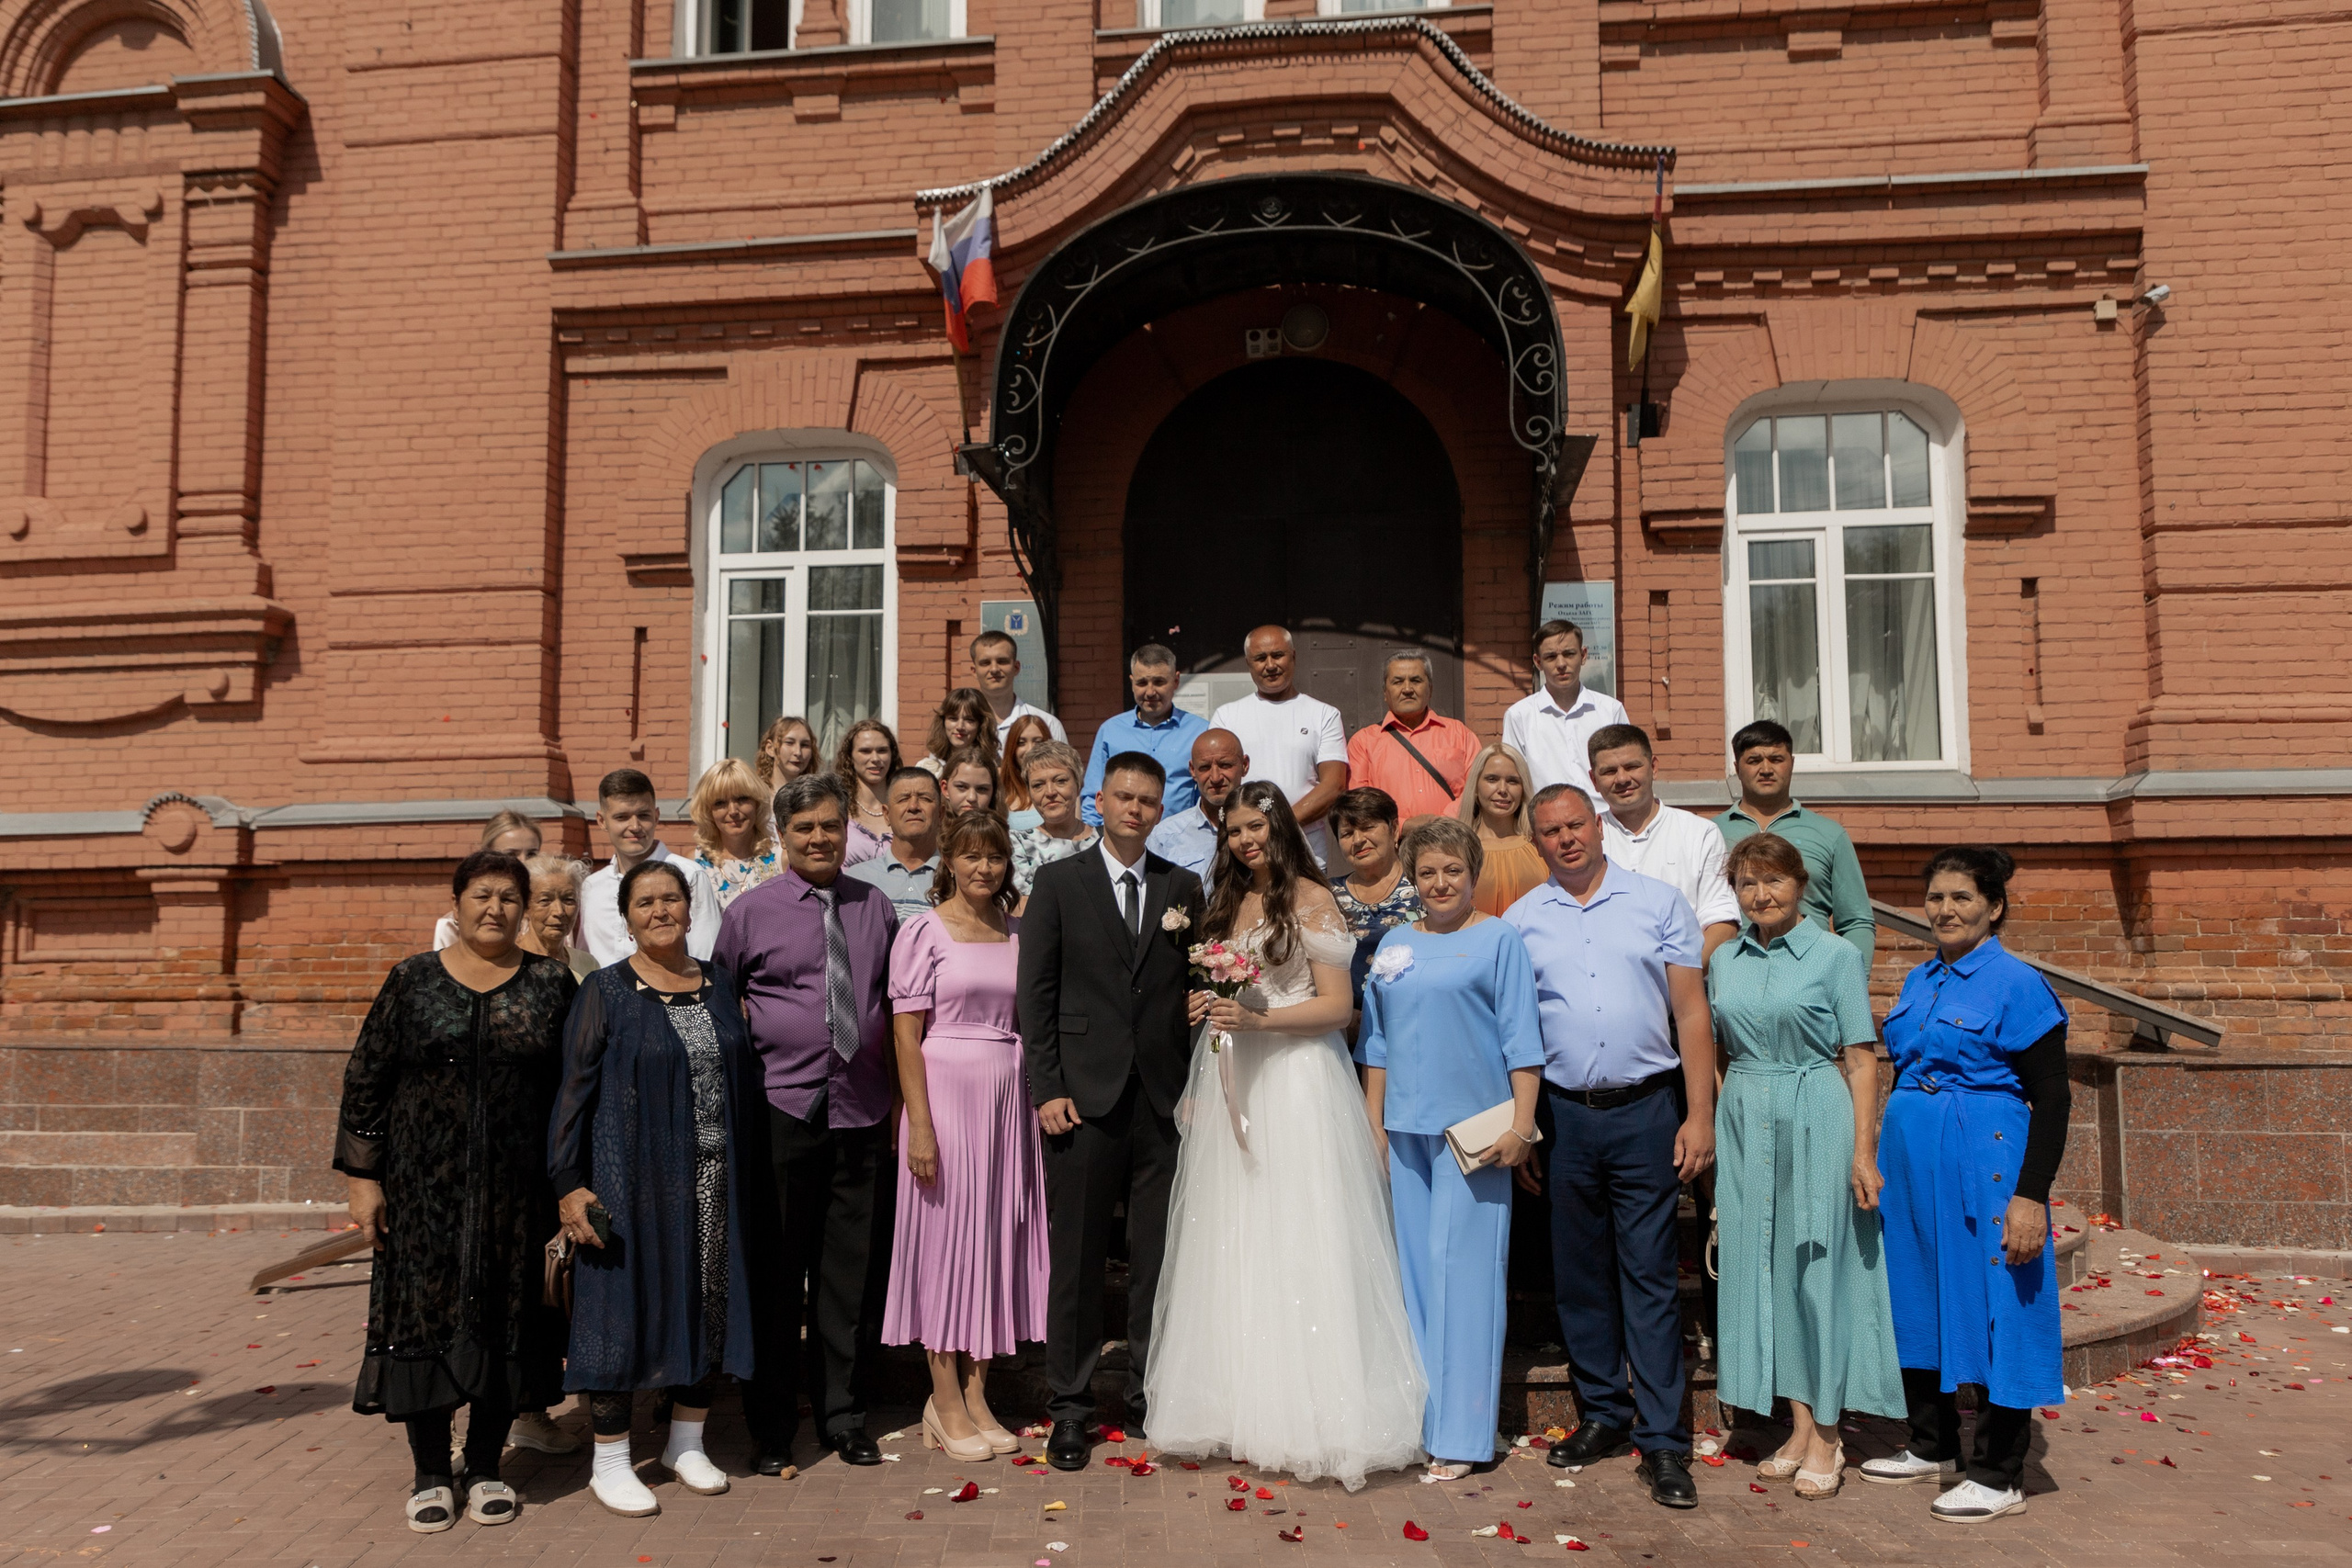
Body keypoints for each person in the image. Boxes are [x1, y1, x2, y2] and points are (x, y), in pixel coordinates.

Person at [1148, 781, 1426, 1489]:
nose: (1245, 841)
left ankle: (1316, 1412)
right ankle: (1243, 1403)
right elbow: (1235, 991)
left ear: (1280, 828)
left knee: (1304, 1231)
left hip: (1300, 1080)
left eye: (1256, 827)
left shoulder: (1311, 896)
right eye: (1234, 830)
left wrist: (1259, 1021)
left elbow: (1338, 1006)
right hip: (1234, 1074)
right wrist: (1209, 1000)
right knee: (1236, 1234)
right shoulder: (1223, 901)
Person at [334, 849, 575, 1534]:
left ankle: (486, 1465)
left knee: (505, 1320)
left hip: (516, 1195)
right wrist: (362, 1178)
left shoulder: (550, 985)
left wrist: (568, 1182)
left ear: (524, 908)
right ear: (458, 903)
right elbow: (366, 1080)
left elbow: (572, 1091)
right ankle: (431, 1471)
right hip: (421, 1191)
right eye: (481, 895)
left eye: (508, 896)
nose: (494, 907)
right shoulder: (412, 980)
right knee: (423, 1321)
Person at [1507, 784, 1714, 1509]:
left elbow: (1691, 1013)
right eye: (1550, 831)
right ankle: (1604, 1413)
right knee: (1581, 1273)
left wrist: (1700, 1114)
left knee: (1650, 1275)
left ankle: (1662, 1441)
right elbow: (1515, 1034)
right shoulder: (1521, 919)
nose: (1566, 839)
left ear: (1598, 826)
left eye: (1575, 825)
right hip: (1563, 1116)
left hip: (1647, 1111)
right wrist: (1523, 1124)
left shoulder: (1659, 902)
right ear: (1536, 841)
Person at [1861, 846, 2070, 1524]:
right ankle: (1932, 1442)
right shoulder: (1923, 979)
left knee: (2000, 1302)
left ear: (1994, 906)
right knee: (1918, 1294)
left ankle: (1998, 1469)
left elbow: (2054, 1099)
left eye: (1961, 898)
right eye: (1936, 898)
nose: (1945, 909)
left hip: (1987, 1161)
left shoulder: (2016, 983)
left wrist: (2030, 1193)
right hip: (1914, 1163)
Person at [551, 860, 763, 1515]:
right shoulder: (606, 991)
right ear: (627, 915)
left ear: (689, 906)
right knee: (618, 1311)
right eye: (646, 902)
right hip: (629, 1180)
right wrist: (568, 1183)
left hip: (711, 1184)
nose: (661, 910)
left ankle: (685, 1440)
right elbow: (572, 1093)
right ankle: (610, 1457)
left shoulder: (719, 984)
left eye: (671, 898)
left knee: (709, 1302)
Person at [1016, 752, 1204, 1472]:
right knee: (1079, 1260)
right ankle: (1070, 1405)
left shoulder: (1180, 884)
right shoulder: (1059, 882)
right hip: (1082, 1101)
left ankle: (1149, 1396)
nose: (1136, 808)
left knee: (1157, 1261)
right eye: (1124, 796)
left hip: (1161, 1099)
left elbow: (1193, 977)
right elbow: (1036, 995)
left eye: (1149, 800)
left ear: (1161, 809)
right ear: (1099, 801)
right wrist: (1047, 1086)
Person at [1708, 833, 1904, 1499]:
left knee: (1817, 1268)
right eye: (1747, 883)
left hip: (1816, 1111)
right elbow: (1722, 1052)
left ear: (1801, 884)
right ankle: (1796, 1426)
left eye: (1774, 881)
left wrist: (1862, 1150)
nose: (1761, 895)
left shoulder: (1835, 955)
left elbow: (1860, 1058)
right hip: (1745, 1119)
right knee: (1765, 1271)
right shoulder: (1724, 959)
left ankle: (1828, 1432)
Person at [716, 773, 901, 1473]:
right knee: (775, 1273)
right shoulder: (750, 913)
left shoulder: (874, 905)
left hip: (860, 1110)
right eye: (805, 828)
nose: (820, 837)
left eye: (830, 825)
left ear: (845, 829)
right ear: (782, 837)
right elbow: (728, 1007)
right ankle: (769, 1427)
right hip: (780, 1114)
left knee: (845, 1277)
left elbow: (892, 999)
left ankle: (843, 1416)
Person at [1358, 816, 1544, 1480]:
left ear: (1473, 874)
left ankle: (1464, 1434)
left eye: (1452, 871)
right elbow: (1375, 1045)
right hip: (1405, 1131)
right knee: (1415, 1282)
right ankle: (1422, 1421)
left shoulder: (1499, 940)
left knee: (1465, 1279)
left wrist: (1522, 1125)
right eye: (1427, 872)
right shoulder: (1393, 944)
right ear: (1412, 877)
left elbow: (1523, 1038)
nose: (1440, 883)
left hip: (1477, 1136)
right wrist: (1373, 1123)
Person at [884, 812, 1047, 1461]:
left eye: (995, 857)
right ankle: (942, 1394)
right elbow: (904, 1034)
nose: (984, 868)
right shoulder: (921, 931)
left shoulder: (1018, 932)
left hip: (1008, 1099)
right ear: (948, 859)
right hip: (944, 1095)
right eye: (971, 856)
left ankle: (979, 1393)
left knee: (993, 1243)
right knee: (945, 1243)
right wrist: (918, 1122)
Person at [1715, 721, 1876, 967]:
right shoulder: (1709, 833)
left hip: (1811, 977)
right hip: (1732, 978)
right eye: (1754, 760)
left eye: (1776, 759)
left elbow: (1856, 922)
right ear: (1737, 768)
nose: (1766, 769)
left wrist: (1849, 978)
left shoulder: (1828, 833)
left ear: (1792, 763)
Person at [1589, 724, 1740, 968]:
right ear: (1593, 780)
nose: (1622, 779)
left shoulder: (1699, 833)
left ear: (1654, 767)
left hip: (1683, 994)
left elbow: (1722, 924)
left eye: (1632, 766)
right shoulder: (1584, 838)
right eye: (1609, 771)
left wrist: (1678, 985)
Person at [1209, 625, 1348, 867]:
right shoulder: (1226, 717)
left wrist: (1275, 826)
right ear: (1248, 663)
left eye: (1278, 655)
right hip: (1245, 856)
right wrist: (1252, 832)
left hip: (1304, 853)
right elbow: (1218, 781)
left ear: (1293, 656)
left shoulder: (1324, 714)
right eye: (1260, 658)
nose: (1270, 665)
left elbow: (1333, 785)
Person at [580, 769, 720, 966]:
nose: (635, 826)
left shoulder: (690, 875)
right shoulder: (592, 887)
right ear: (602, 821)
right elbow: (583, 959)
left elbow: (706, 957)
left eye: (643, 815)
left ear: (656, 816)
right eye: (622, 817)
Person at [1500, 619, 1629, 807]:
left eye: (1569, 654)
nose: (1561, 664)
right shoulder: (1519, 716)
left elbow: (1627, 765)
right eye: (1551, 657)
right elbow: (1513, 776)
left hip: (1606, 820)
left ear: (1583, 655)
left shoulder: (1610, 710)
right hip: (1547, 822)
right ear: (1538, 662)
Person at [1345, 650, 1479, 824]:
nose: (1407, 689)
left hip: (1452, 840)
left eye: (1416, 681)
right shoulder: (1363, 742)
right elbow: (1359, 802)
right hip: (1394, 845)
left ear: (1430, 689)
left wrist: (1444, 823)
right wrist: (1403, 826)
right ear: (1385, 693)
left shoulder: (1460, 734)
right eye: (1398, 682)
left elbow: (1477, 787)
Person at [1081, 643, 1207, 826]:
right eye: (1142, 683)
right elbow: (1092, 796)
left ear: (1176, 681)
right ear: (1132, 682)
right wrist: (1096, 839)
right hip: (1122, 844)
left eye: (1159, 682)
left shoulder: (1200, 732)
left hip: (1180, 845)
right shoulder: (1110, 731)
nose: (1150, 692)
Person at [1328, 786, 1422, 1010]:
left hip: (1414, 1013)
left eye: (1368, 827)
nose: (1358, 840)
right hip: (1349, 1028)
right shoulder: (1327, 895)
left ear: (1394, 828)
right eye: (1347, 833)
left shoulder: (1424, 885)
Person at [1456, 742, 1548, 918]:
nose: (1503, 790)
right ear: (1475, 787)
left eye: (1513, 781)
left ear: (1523, 789)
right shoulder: (1458, 849)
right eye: (1492, 779)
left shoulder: (1540, 846)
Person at [1146, 726, 1245, 884]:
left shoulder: (1268, 827)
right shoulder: (1165, 837)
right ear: (1192, 770)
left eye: (1225, 765)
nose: (1215, 777)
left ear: (1244, 765)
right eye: (1205, 767)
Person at [430, 810, 542, 951]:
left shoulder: (552, 915)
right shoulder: (452, 925)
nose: (524, 862)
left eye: (532, 854)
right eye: (511, 854)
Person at [845, 766, 944, 919]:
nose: (913, 807)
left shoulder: (956, 879)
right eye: (903, 799)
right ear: (886, 814)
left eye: (924, 798)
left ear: (940, 814)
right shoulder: (858, 878)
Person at [1009, 740, 1099, 897]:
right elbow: (1022, 907)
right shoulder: (1018, 843)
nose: (1050, 792)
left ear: (1079, 784)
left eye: (1060, 781)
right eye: (1038, 785)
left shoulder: (1104, 842)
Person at [689, 757, 782, 909]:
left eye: (742, 799)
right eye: (720, 803)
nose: (733, 811)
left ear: (757, 803)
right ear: (708, 811)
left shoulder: (780, 858)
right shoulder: (695, 864)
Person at [969, 628, 1066, 746]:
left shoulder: (1048, 724)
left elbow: (1062, 764)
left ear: (1016, 667)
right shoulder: (958, 725)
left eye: (1002, 661)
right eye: (985, 663)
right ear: (974, 671)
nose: (994, 669)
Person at [519, 852, 598, 983]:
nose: (559, 911)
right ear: (526, 907)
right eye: (545, 900)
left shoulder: (588, 964)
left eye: (568, 900)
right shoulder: (509, 963)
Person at [833, 719, 902, 867]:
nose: (875, 759)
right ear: (850, 756)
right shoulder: (837, 806)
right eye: (865, 751)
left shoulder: (905, 806)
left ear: (892, 754)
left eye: (882, 750)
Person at [917, 687, 1000, 779]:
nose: (960, 726)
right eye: (953, 718)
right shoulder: (927, 768)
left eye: (969, 720)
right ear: (943, 721)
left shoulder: (993, 768)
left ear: (981, 725)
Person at [997, 713, 1055, 831]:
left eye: (1038, 742)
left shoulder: (1062, 785)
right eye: (1021, 743)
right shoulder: (998, 784)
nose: (1030, 749)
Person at [755, 715, 819, 793]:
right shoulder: (756, 795)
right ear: (770, 748)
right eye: (789, 743)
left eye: (804, 745)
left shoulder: (817, 797)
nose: (798, 752)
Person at [943, 744, 1004, 822]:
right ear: (945, 789)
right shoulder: (930, 832)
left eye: (982, 789)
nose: (972, 798)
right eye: (962, 787)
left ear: (993, 792)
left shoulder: (1003, 833)